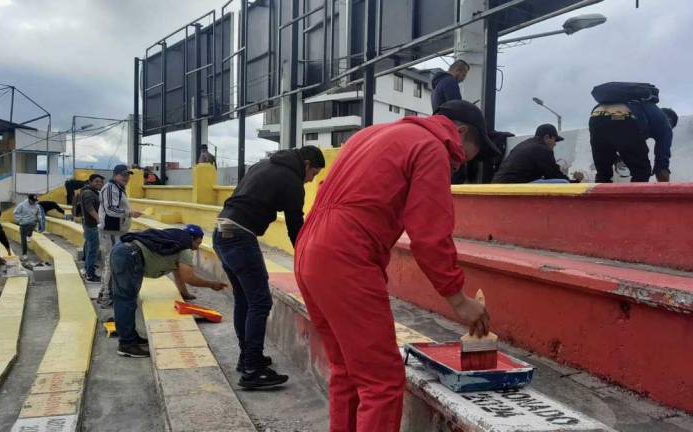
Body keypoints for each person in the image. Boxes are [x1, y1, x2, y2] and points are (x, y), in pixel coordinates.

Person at [294, 100, 493, 431]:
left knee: (346, 370)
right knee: (382, 381)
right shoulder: (432, 147)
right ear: (458, 132)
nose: (455, 166)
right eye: (459, 161)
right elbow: (430, 235)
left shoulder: (372, 134)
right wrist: (459, 300)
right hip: (346, 255)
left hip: (310, 249)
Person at [213, 145, 325, 388]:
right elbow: (295, 227)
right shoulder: (292, 180)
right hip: (241, 236)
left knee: (244, 299)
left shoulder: (262, 165)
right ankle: (252, 369)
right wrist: (305, 259)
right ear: (306, 164)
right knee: (260, 302)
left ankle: (248, 359)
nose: (309, 181)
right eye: (313, 174)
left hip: (221, 232)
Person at [111, 226, 227, 358]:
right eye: (197, 243)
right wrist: (212, 284)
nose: (197, 248)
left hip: (124, 249)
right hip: (130, 255)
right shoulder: (185, 248)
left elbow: (178, 273)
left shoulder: (175, 239)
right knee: (126, 300)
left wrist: (184, 294)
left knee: (126, 299)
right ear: (192, 238)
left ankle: (130, 337)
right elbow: (188, 277)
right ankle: (126, 344)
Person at [590, 87, 677, 183]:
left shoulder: (644, 107)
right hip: (624, 116)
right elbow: (662, 167)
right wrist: (665, 193)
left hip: (596, 116)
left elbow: (614, 135)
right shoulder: (665, 124)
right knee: (642, 171)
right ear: (670, 122)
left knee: (603, 174)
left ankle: (599, 197)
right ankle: (635, 198)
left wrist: (615, 158)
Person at [98, 164, 142, 308]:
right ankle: (106, 296)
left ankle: (107, 293)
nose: (126, 178)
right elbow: (110, 209)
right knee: (111, 262)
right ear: (115, 175)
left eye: (128, 175)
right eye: (123, 175)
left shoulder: (118, 188)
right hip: (111, 231)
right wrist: (129, 213)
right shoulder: (111, 188)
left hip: (117, 231)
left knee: (112, 262)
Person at [492, 124, 576, 184]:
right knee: (564, 183)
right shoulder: (543, 149)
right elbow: (553, 174)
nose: (555, 144)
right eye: (554, 140)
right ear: (547, 137)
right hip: (516, 186)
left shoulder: (523, 145)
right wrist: (574, 182)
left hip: (500, 184)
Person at [79, 174, 105, 282]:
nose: (99, 183)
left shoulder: (92, 192)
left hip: (90, 225)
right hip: (92, 226)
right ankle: (90, 275)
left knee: (89, 247)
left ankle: (87, 268)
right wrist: (99, 220)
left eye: (101, 182)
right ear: (90, 181)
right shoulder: (88, 193)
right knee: (92, 250)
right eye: (96, 181)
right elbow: (90, 209)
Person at [13, 194, 42, 260]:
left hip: (32, 222)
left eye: (35, 201)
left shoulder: (36, 206)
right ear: (29, 199)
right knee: (23, 240)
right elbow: (15, 213)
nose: (34, 202)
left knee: (32, 225)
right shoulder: (22, 205)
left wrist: (39, 218)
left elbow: (39, 213)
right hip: (23, 224)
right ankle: (24, 254)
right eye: (32, 201)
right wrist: (21, 219)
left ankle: (29, 235)